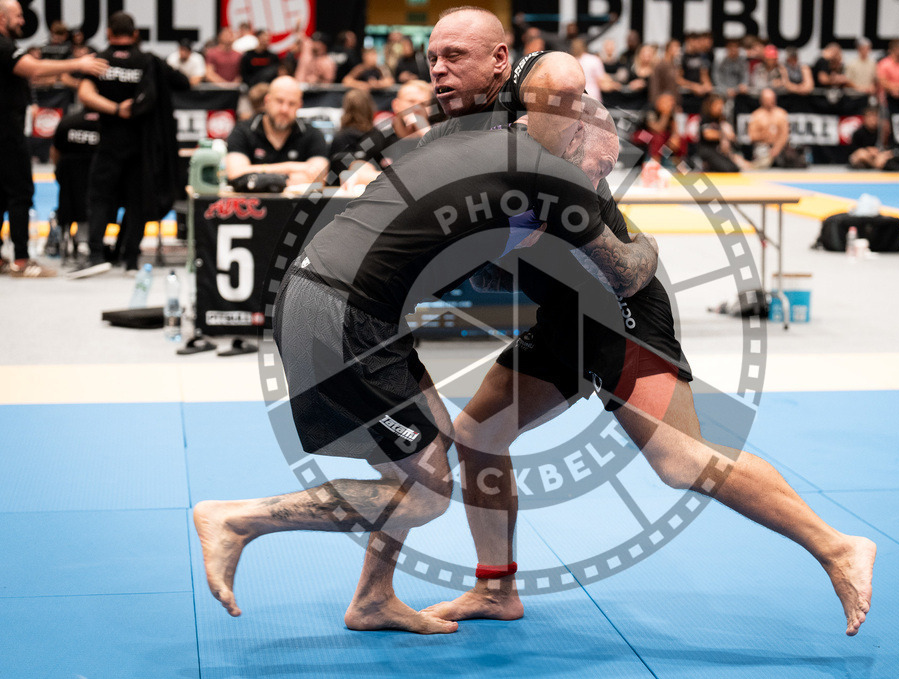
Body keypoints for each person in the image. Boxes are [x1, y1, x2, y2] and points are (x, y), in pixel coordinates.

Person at [419, 8, 875, 638]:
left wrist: (561, 141)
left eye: (455, 55)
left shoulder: (537, 77)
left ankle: (836, 545)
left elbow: (559, 73)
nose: (439, 68)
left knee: (682, 462)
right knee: (479, 438)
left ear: (499, 59)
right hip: (558, 314)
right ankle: (495, 589)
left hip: (616, 308)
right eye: (433, 57)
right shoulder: (460, 133)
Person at [192, 93, 660, 636]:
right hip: (342, 312)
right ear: (574, 140)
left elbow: (476, 269)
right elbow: (625, 274)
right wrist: (646, 246)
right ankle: (238, 519)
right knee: (424, 496)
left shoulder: (487, 153)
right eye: (601, 167)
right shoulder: (546, 172)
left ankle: (372, 599)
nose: (599, 185)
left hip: (358, 308)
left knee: (430, 452)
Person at [70, 10, 189, 277]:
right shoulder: (148, 61)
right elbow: (184, 83)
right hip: (142, 148)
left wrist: (115, 109)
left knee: (99, 198)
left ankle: (96, 256)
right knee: (138, 201)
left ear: (108, 33)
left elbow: (85, 94)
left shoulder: (100, 60)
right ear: (135, 34)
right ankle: (131, 258)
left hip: (109, 143)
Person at [0, 0, 107, 278]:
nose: (23, 20)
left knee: (3, 195)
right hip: (7, 134)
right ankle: (22, 260)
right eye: (18, 16)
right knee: (20, 193)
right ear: (2, 17)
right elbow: (33, 69)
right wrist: (78, 62)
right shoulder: (3, 45)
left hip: (8, 130)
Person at [224, 76, 329, 187]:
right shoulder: (243, 130)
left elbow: (319, 178)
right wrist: (290, 167)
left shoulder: (312, 134)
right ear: (267, 101)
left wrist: (258, 178)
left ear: (300, 106)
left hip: (298, 204)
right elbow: (235, 173)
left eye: (292, 104)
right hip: (253, 203)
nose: (284, 109)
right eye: (279, 101)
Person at [48, 106, 100, 258]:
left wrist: (60, 173)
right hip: (100, 190)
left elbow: (55, 151)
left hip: (71, 190)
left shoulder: (67, 122)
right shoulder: (108, 124)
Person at [748, 88, 804, 168]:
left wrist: (776, 148)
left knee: (792, 157)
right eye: (767, 99)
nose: (770, 102)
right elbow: (752, 136)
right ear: (762, 100)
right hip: (763, 146)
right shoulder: (756, 115)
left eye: (772, 99)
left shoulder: (781, 114)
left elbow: (785, 134)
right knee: (761, 156)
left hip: (780, 147)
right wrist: (765, 135)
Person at [697, 93, 747, 172]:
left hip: (719, 151)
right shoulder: (706, 118)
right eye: (717, 105)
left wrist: (730, 135)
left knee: (734, 169)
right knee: (727, 169)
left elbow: (731, 135)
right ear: (711, 105)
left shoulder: (722, 119)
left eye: (721, 104)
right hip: (708, 150)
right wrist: (724, 134)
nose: (720, 107)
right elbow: (708, 134)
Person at [847, 106, 893, 170]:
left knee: (886, 156)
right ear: (865, 119)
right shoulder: (858, 133)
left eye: (875, 117)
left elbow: (890, 148)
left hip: (879, 156)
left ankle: (876, 165)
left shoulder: (883, 132)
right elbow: (853, 150)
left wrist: (880, 152)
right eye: (870, 117)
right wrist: (868, 150)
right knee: (861, 154)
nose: (873, 120)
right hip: (865, 157)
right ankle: (875, 165)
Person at [876, 38, 899, 103]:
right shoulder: (883, 64)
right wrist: (896, 89)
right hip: (887, 99)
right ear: (896, 50)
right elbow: (883, 83)